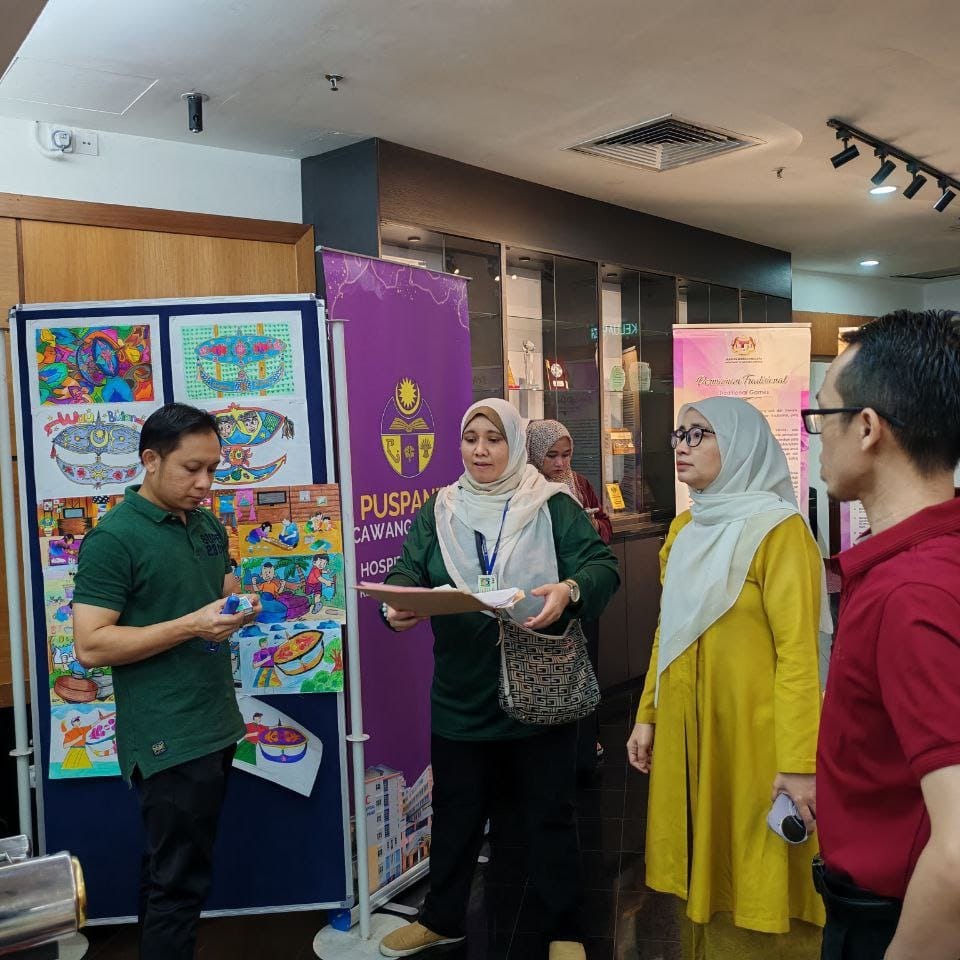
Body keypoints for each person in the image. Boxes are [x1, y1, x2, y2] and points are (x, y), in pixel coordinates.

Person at [377, 398, 620, 960]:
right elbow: (408, 569)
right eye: (471, 439)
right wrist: (396, 604)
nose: (481, 450)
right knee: (455, 812)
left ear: (514, 444)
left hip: (538, 690)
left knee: (550, 813)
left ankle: (564, 928)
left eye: (494, 439)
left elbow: (601, 568)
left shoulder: (551, 504)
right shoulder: (440, 509)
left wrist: (570, 591)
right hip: (462, 694)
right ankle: (442, 918)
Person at [626, 396, 829, 959]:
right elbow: (669, 631)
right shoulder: (686, 529)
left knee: (757, 871)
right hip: (690, 732)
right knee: (701, 865)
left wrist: (799, 763)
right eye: (679, 434)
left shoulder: (778, 532)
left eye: (700, 433)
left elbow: (799, 655)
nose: (683, 445)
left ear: (740, 445)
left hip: (755, 741)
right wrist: (648, 714)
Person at [72, 402, 260, 960]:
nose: (204, 483)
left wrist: (234, 607)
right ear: (150, 461)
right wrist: (191, 625)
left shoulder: (203, 521)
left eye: (213, 469)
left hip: (215, 723)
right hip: (166, 735)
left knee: (172, 872)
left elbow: (214, 591)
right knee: (178, 883)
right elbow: (90, 645)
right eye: (191, 469)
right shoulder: (114, 539)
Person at [809, 310, 960, 960]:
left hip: (896, 922)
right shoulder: (930, 559)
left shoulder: (910, 592)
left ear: (868, 427)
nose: (817, 437)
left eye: (822, 416)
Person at [526, 418, 612, 778]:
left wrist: (592, 527)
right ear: (533, 454)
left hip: (579, 596)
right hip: (540, 600)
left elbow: (605, 527)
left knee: (584, 671)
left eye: (566, 454)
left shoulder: (580, 484)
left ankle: (585, 748)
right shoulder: (525, 489)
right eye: (552, 456)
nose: (561, 463)